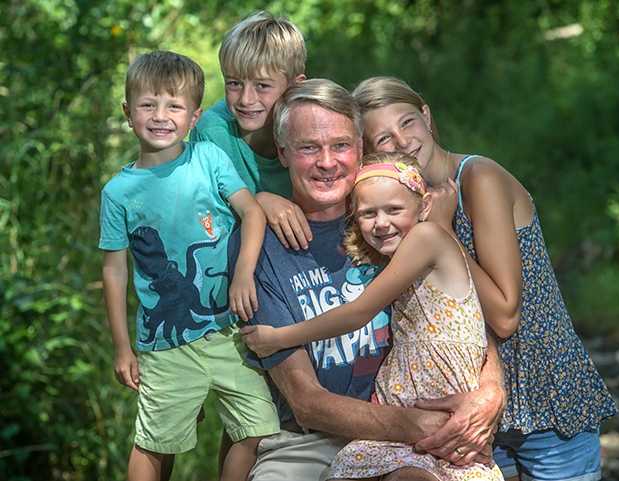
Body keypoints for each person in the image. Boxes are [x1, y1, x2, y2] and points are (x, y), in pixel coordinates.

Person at [231, 78, 505, 481]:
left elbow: (462, 311)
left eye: (340, 145)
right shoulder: (262, 243)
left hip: (419, 431)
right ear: (283, 153)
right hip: (313, 440)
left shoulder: (394, 218)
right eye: (309, 148)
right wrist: (421, 426)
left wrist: (490, 390)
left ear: (361, 148)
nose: (327, 162)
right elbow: (306, 402)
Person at [352, 76, 618, 481]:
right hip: (473, 411)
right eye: (383, 139)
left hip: (545, 398)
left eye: (407, 123)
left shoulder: (479, 178)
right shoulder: (399, 205)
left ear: (426, 114)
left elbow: (506, 315)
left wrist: (443, 233)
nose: (403, 141)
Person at [99, 50, 278, 481]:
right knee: (156, 443)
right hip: (165, 345)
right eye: (148, 105)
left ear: (194, 116)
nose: (161, 116)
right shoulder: (119, 192)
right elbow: (114, 270)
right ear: (128, 112)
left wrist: (242, 274)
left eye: (174, 106)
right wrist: (123, 347)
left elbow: (252, 213)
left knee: (259, 428)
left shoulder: (208, 159)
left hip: (229, 331)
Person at [190, 11, 313, 251]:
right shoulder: (213, 133)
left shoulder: (314, 129)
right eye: (234, 83)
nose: (246, 99)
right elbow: (203, 219)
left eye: (262, 85)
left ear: (296, 86)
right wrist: (257, 203)